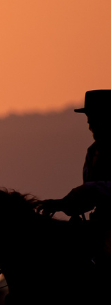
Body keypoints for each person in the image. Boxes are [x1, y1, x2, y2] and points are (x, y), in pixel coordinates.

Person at [40, 90, 111, 255]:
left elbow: (92, 190)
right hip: (100, 225)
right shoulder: (93, 152)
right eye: (89, 119)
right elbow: (89, 198)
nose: (89, 125)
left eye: (94, 119)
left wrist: (88, 190)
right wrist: (62, 204)